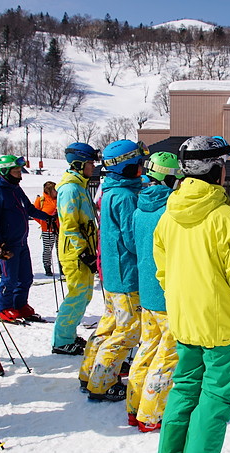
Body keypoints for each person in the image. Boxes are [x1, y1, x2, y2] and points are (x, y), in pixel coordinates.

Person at [153, 136, 230, 453]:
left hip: (185, 321)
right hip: (219, 327)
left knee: (185, 387)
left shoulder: (168, 217)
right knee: (215, 394)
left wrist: (184, 304)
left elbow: (163, 273)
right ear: (216, 169)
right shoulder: (226, 218)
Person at [81, 139, 145, 402]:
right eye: (139, 163)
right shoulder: (126, 197)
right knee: (128, 330)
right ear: (128, 166)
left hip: (112, 273)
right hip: (125, 274)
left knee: (109, 326)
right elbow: (132, 240)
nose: (142, 168)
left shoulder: (110, 191)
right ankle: (102, 384)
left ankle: (90, 372)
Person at [126, 151, 183, 433]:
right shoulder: (170, 211)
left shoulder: (139, 208)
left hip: (147, 291)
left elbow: (134, 246)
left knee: (147, 349)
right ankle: (150, 415)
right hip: (166, 294)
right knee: (167, 356)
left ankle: (135, 406)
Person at [0, 155, 49, 322]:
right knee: (9, 279)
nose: (20, 174)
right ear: (5, 172)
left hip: (21, 242)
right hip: (7, 244)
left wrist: (49, 217)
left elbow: (29, 208)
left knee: (26, 278)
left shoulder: (15, 188)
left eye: (20, 170)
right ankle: (4, 308)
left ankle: (19, 305)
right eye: (16, 171)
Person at [51, 143, 99, 355]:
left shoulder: (80, 186)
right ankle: (61, 341)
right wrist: (83, 251)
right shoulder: (70, 189)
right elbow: (69, 224)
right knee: (76, 295)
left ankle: (68, 335)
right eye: (90, 163)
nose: (93, 167)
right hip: (75, 253)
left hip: (83, 251)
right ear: (79, 164)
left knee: (84, 295)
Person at [34, 181, 59, 276]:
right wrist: (43, 221)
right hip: (47, 229)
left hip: (59, 228)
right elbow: (35, 213)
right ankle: (47, 267)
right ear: (49, 191)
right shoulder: (41, 200)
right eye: (54, 190)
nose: (56, 192)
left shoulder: (58, 199)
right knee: (48, 248)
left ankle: (62, 267)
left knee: (60, 248)